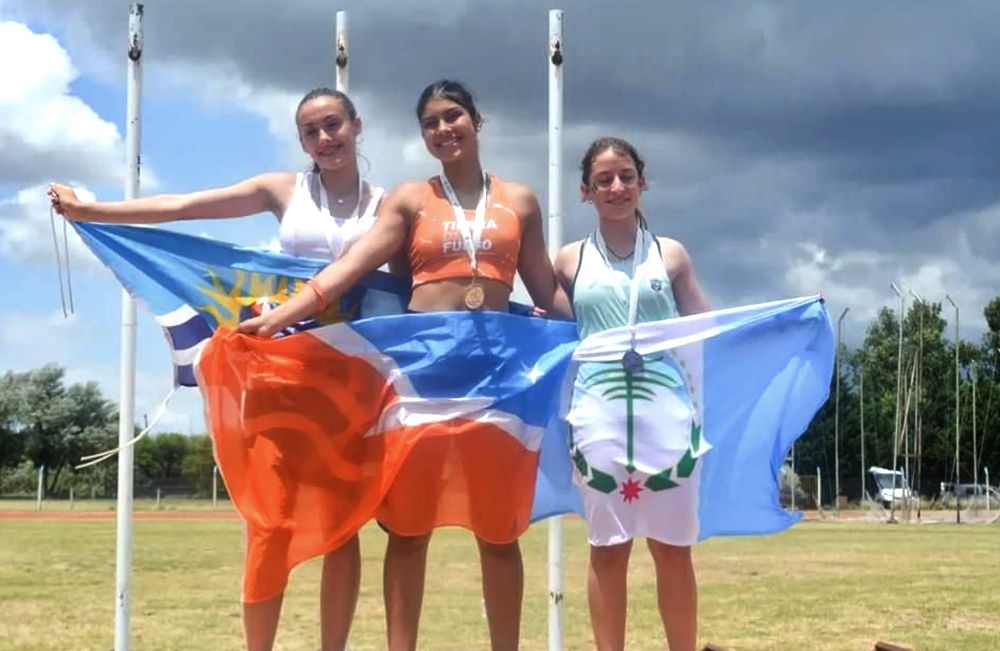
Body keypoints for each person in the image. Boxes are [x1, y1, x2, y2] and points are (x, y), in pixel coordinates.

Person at [48, 87, 391, 651]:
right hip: (278, 377)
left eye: (334, 125)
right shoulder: (282, 189)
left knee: (342, 528)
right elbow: (186, 206)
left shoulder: (387, 204)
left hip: (349, 384)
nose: (325, 138)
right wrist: (91, 210)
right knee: (270, 522)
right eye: (312, 131)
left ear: (356, 124)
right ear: (301, 140)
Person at [238, 79, 569, 651]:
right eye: (431, 123)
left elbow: (548, 290)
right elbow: (351, 267)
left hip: (498, 384)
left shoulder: (519, 200)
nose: (444, 129)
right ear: (423, 136)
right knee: (409, 532)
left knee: (498, 534)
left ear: (476, 121)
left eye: (453, 116)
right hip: (422, 379)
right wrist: (279, 317)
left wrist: (607, 335)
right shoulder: (411, 199)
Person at [552, 137, 710, 651]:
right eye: (603, 179)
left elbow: (707, 329)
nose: (616, 187)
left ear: (643, 181)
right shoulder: (569, 262)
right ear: (585, 191)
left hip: (667, 416)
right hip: (596, 417)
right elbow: (553, 334)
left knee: (673, 548)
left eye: (625, 176)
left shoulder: (672, 254)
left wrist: (777, 323)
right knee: (607, 548)